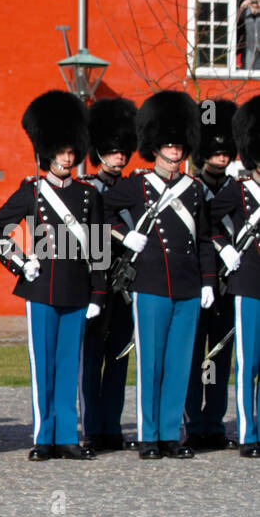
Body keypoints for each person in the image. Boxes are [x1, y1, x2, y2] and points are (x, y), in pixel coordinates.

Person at [0, 90, 104, 461]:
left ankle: (67, 435)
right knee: (43, 367)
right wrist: (19, 261)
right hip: (41, 288)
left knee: (70, 366)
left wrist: (98, 296)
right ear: (48, 151)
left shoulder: (88, 195)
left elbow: (98, 251)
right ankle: (43, 436)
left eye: (72, 151)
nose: (67, 157)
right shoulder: (32, 193)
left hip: (77, 291)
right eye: (61, 150)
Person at [105, 90, 217, 460]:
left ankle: (171, 434)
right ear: (155, 148)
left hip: (186, 285)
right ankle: (148, 435)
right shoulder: (136, 186)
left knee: (179, 363)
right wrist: (124, 236)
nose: (174, 153)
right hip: (150, 284)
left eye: (179, 146)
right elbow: (95, 212)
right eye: (168, 146)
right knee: (150, 362)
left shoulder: (195, 190)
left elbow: (202, 239)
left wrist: (207, 281)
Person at [78, 97, 138, 452]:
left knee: (118, 357)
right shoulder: (88, 191)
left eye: (123, 151)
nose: (119, 157)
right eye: (113, 151)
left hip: (125, 287)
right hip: (95, 285)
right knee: (91, 360)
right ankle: (91, 426)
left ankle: (112, 427)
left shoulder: (134, 190)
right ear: (99, 151)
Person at [184, 99, 240, 451]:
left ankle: (214, 420)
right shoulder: (192, 189)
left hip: (230, 284)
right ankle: (192, 418)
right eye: (215, 151)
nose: (221, 157)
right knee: (193, 356)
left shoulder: (238, 189)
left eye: (226, 151)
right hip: (197, 281)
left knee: (219, 355)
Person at [220, 98, 260, 457]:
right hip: (248, 283)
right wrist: (225, 248)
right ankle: (249, 433)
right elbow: (208, 221)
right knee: (248, 362)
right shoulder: (238, 191)